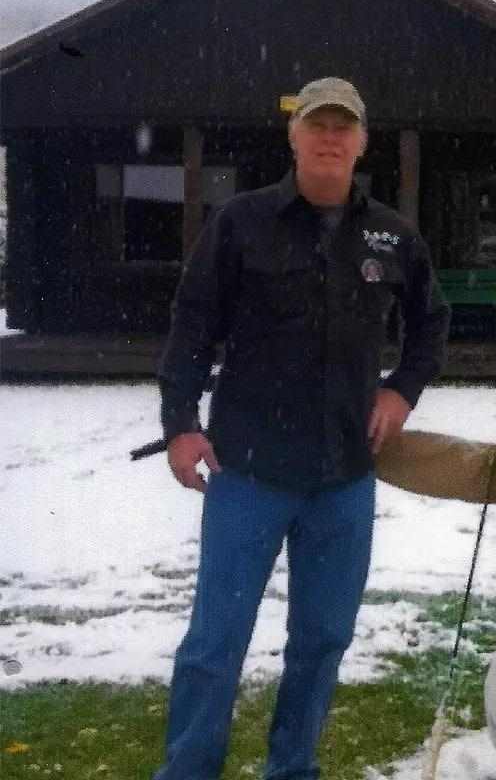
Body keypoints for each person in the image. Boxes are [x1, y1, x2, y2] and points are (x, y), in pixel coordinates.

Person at [153, 77, 449, 780]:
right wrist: (180, 424)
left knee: (321, 641)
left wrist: (402, 391)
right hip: (248, 473)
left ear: (361, 142)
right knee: (215, 643)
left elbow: (431, 322)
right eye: (318, 124)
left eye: (343, 126)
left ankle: (292, 768)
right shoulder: (241, 223)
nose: (330, 137)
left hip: (342, 479)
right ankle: (189, 770)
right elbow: (192, 325)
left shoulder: (392, 235)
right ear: (293, 136)